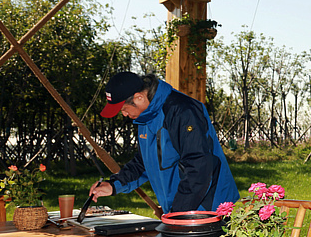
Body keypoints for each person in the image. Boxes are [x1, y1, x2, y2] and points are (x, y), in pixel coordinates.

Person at [90, 71, 240, 214]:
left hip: (209, 210)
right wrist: (113, 185)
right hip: (180, 211)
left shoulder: (182, 110)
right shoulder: (144, 118)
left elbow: (198, 166)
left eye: (124, 109)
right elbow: (144, 163)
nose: (124, 114)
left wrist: (177, 215)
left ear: (139, 97)